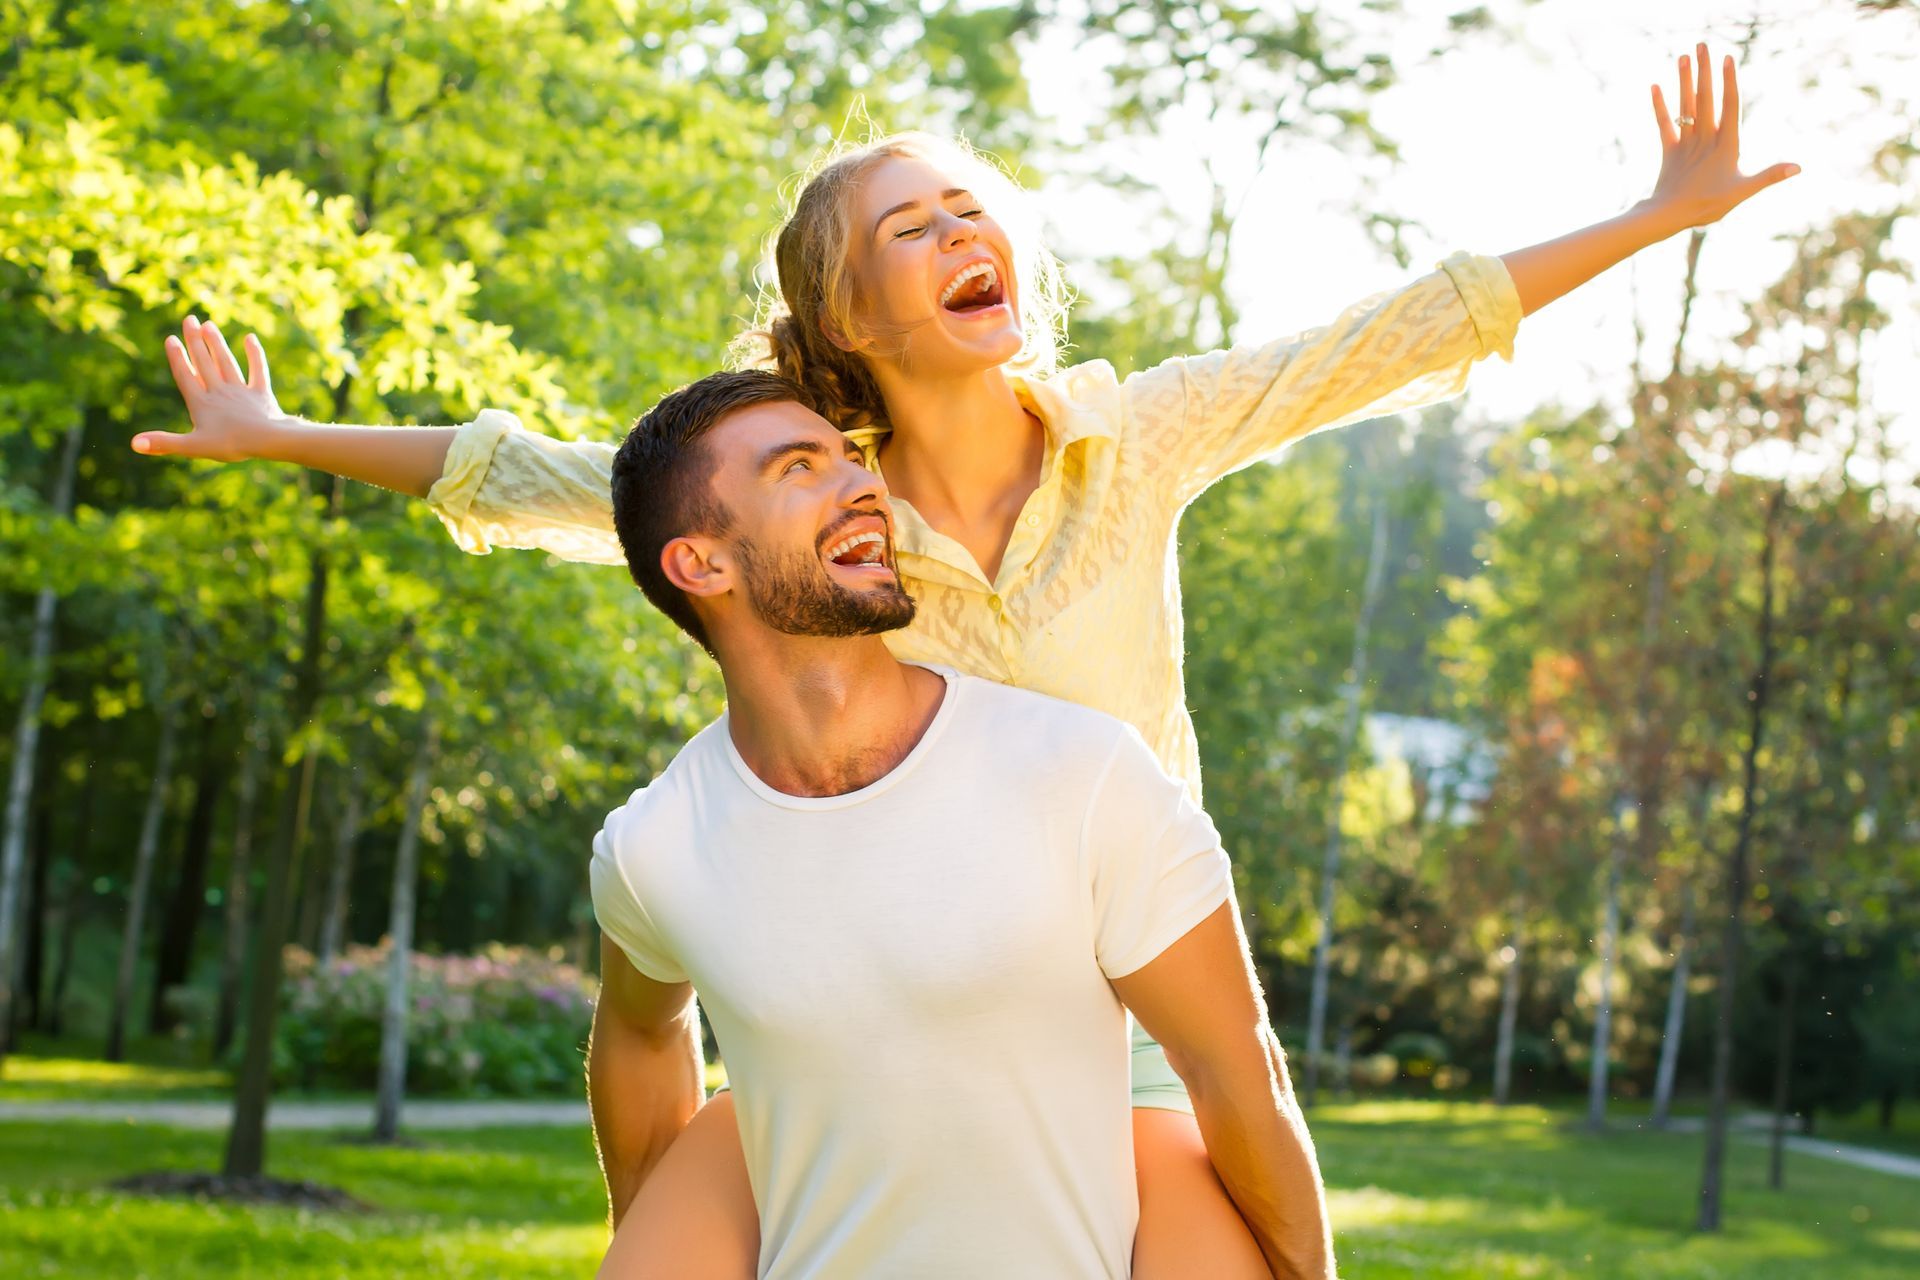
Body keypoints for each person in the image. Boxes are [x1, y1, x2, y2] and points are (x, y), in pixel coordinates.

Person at [143, 44, 1796, 1276]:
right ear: (846, 313)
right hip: (872, 992)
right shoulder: (812, 510)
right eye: (907, 228)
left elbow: (1395, 333)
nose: (955, 231)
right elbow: (537, 478)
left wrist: (1660, 213)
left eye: (968, 212)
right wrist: (284, 434)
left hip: (1119, 1007)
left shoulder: (1139, 436)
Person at [585, 369, 1320, 1278]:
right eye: (799, 468)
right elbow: (640, 1029)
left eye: (852, 459)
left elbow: (1234, 1069)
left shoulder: (1081, 774)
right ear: (701, 566)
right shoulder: (655, 847)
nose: (864, 484)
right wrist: (651, 1217)